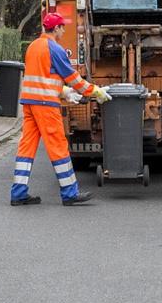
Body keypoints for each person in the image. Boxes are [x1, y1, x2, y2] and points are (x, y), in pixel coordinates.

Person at [12, 13, 110, 206]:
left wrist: (63, 92)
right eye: (62, 27)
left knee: (26, 148)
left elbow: (41, 77)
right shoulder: (55, 48)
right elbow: (73, 79)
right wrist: (96, 92)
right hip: (45, 105)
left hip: (30, 103)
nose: (64, 31)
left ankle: (18, 193)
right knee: (58, 146)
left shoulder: (33, 46)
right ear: (55, 29)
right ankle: (69, 193)